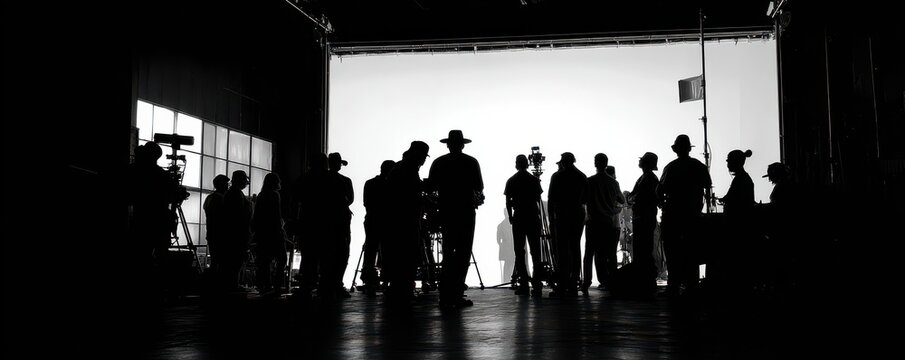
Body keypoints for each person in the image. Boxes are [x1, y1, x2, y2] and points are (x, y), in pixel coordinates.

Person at [428, 130, 484, 309]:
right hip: (466, 211)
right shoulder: (471, 162)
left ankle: (445, 294)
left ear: (447, 144)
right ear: (462, 144)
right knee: (463, 252)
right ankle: (457, 293)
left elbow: (431, 187)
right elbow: (479, 186)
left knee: (448, 252)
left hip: (446, 211)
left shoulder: (438, 162)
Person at [657, 134, 712, 297]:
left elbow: (660, 190)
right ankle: (692, 285)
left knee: (673, 252)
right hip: (693, 216)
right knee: (692, 251)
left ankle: (674, 285)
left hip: (674, 215)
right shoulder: (698, 166)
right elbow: (708, 187)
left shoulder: (671, 167)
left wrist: (663, 204)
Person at [127, 141, 185, 296]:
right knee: (160, 257)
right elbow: (175, 195)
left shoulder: (135, 171)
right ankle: (158, 289)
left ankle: (143, 288)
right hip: (160, 222)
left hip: (142, 221)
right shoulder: (161, 175)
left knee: (141, 257)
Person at [385, 141, 430, 304]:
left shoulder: (399, 168)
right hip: (406, 220)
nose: (424, 160)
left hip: (398, 220)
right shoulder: (409, 170)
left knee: (399, 254)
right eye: (424, 156)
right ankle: (404, 288)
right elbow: (410, 195)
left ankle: (399, 286)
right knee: (408, 253)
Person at [583, 154, 625, 295]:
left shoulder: (589, 181)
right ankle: (612, 282)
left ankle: (586, 282)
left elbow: (583, 199)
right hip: (607, 222)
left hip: (593, 221)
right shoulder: (613, 183)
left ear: (595, 163)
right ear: (606, 163)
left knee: (589, 253)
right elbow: (622, 199)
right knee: (609, 254)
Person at [504, 154, 545, 296]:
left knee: (519, 252)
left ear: (516, 164)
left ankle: (524, 284)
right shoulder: (534, 180)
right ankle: (537, 283)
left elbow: (508, 202)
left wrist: (510, 216)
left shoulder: (511, 180)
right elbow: (538, 199)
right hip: (533, 216)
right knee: (536, 251)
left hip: (519, 217)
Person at [547, 152, 587, 298]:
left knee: (562, 249)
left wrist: (551, 216)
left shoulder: (557, 176)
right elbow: (585, 197)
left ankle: (563, 283)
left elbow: (551, 198)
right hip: (577, 214)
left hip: (562, 216)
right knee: (575, 248)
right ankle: (574, 282)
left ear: (563, 162)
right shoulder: (582, 176)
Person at [293, 153, 330, 299]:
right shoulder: (331, 179)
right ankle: (324, 286)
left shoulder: (304, 179)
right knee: (325, 256)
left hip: (307, 221)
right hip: (326, 223)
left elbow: (295, 200)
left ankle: (307, 285)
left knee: (308, 256)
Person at [322, 152, 355, 300]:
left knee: (327, 253)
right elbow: (350, 200)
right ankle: (336, 283)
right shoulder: (345, 180)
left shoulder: (321, 179)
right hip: (341, 221)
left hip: (327, 221)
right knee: (342, 253)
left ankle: (327, 284)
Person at [361, 160, 396, 297]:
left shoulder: (370, 183)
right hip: (387, 222)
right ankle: (387, 281)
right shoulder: (392, 185)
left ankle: (369, 281)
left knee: (370, 251)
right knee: (388, 252)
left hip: (372, 220)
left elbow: (366, 203)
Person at [627, 152, 660, 294]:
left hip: (643, 219)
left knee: (644, 249)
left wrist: (631, 199)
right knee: (643, 249)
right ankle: (646, 280)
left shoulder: (648, 179)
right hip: (644, 218)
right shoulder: (648, 178)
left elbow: (635, 197)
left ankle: (646, 281)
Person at [252, 172, 289, 297]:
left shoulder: (262, 195)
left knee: (265, 260)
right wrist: (281, 229)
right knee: (282, 259)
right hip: (275, 233)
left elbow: (257, 216)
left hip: (263, 233)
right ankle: (278, 285)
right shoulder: (275, 195)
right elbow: (276, 215)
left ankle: (265, 285)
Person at [222, 170, 254, 292]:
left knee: (232, 262)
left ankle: (231, 285)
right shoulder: (236, 194)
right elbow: (240, 216)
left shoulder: (231, 193)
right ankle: (232, 286)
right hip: (237, 235)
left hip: (232, 234)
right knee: (235, 262)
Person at [202, 174, 230, 289]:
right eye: (226, 184)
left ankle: (212, 285)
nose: (228, 186)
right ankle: (219, 285)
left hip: (211, 233)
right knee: (222, 261)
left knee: (215, 260)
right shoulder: (221, 199)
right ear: (222, 185)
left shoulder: (209, 198)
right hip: (221, 234)